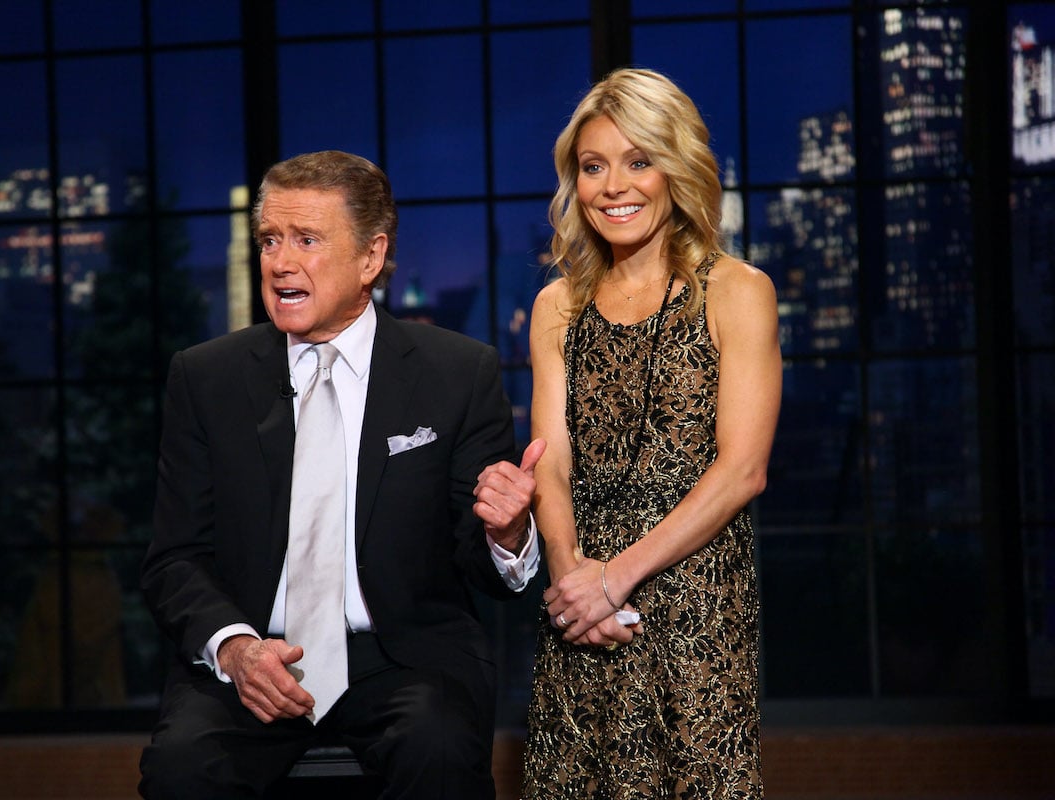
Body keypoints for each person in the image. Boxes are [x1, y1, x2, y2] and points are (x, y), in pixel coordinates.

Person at [138, 150, 545, 799]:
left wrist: (508, 534)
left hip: (405, 657)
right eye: (270, 240)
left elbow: (485, 572)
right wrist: (236, 648)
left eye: (306, 240)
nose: (280, 262)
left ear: (371, 256)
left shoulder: (456, 373)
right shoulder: (207, 377)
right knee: (181, 770)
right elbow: (174, 558)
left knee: (438, 751)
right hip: (255, 657)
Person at [524, 68, 781, 798]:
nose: (613, 186)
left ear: (677, 168)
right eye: (593, 166)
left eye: (638, 161)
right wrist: (572, 583)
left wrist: (616, 579)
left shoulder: (738, 290)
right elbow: (549, 463)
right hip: (582, 608)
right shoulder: (555, 307)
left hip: (696, 601)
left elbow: (743, 471)